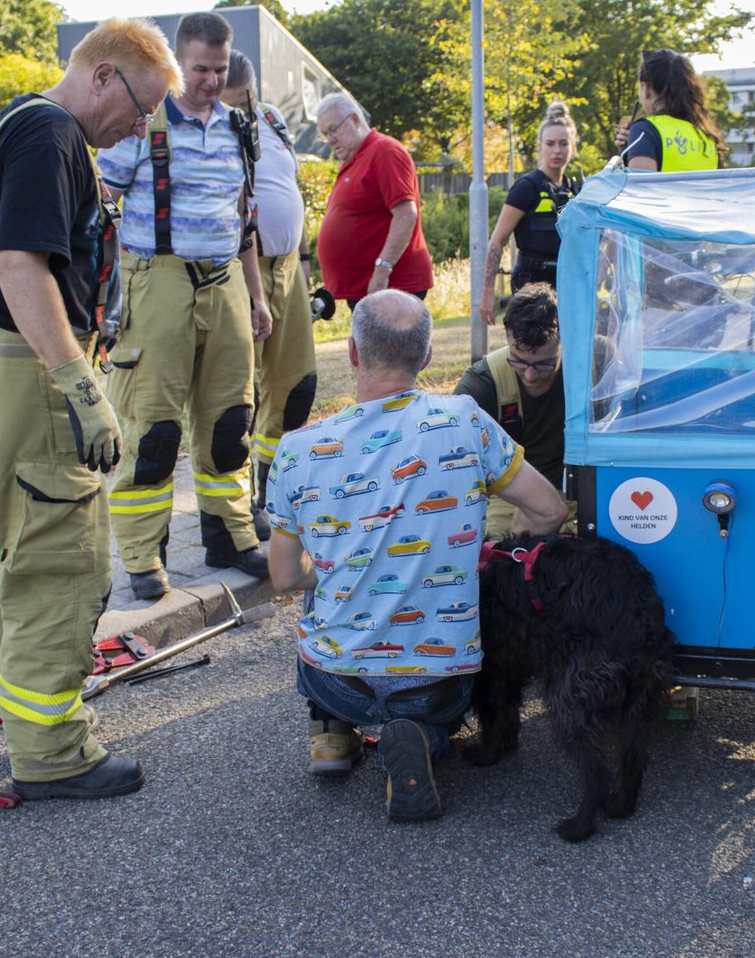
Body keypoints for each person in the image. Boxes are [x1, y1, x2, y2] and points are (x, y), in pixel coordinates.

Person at [0, 17, 181, 801]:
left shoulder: (9, 121)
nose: (138, 129)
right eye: (139, 109)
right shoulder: (55, 136)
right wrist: (79, 384)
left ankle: (31, 727)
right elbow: (17, 264)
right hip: (21, 380)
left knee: (3, 571)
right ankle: (55, 754)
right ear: (103, 75)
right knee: (53, 570)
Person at [266, 290, 568, 822]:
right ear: (427, 358)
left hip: (339, 678)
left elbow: (286, 577)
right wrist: (491, 553)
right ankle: (424, 734)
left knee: (318, 594)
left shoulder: (296, 449)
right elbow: (548, 511)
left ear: (353, 355)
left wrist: (338, 567)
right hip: (440, 680)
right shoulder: (464, 422)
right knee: (431, 697)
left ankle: (333, 732)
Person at [96, 12, 275, 601]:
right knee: (154, 430)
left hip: (224, 282)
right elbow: (98, 205)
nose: (209, 80)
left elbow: (244, 222)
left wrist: (256, 296)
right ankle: (144, 556)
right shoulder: (141, 126)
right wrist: (104, 297)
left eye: (219, 70)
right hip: (158, 282)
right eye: (200, 68)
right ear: (179, 63)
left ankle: (232, 535)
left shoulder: (237, 128)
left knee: (230, 424)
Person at [220, 51, 318, 541]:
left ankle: (274, 490)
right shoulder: (214, 131)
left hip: (288, 268)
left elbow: (288, 189)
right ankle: (243, 508)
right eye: (233, 102)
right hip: (243, 266)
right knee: (242, 393)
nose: (243, 109)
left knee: (296, 386)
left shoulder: (273, 120)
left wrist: (303, 260)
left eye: (247, 98)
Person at [454, 284, 577, 538]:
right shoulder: (483, 382)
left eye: (544, 364)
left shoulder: (592, 366)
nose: (530, 376)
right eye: (519, 361)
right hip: (510, 499)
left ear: (565, 342)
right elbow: (451, 455)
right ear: (508, 337)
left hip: (581, 494)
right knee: (496, 556)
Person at [313, 93, 432, 309]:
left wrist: (382, 270)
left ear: (355, 120)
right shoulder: (358, 157)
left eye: (333, 129)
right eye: (325, 134)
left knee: (391, 344)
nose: (330, 140)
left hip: (390, 287)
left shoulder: (385, 151)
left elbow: (406, 215)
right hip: (367, 288)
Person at [479, 102, 582, 326]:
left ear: (572, 147)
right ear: (540, 147)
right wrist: (488, 293)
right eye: (550, 144)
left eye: (563, 144)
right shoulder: (526, 187)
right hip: (531, 286)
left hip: (567, 283)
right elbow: (497, 241)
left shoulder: (576, 189)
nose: (557, 150)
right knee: (533, 351)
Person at [615, 49, 727, 172]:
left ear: (645, 87)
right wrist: (630, 147)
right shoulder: (707, 136)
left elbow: (640, 188)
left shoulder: (645, 130)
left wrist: (629, 151)